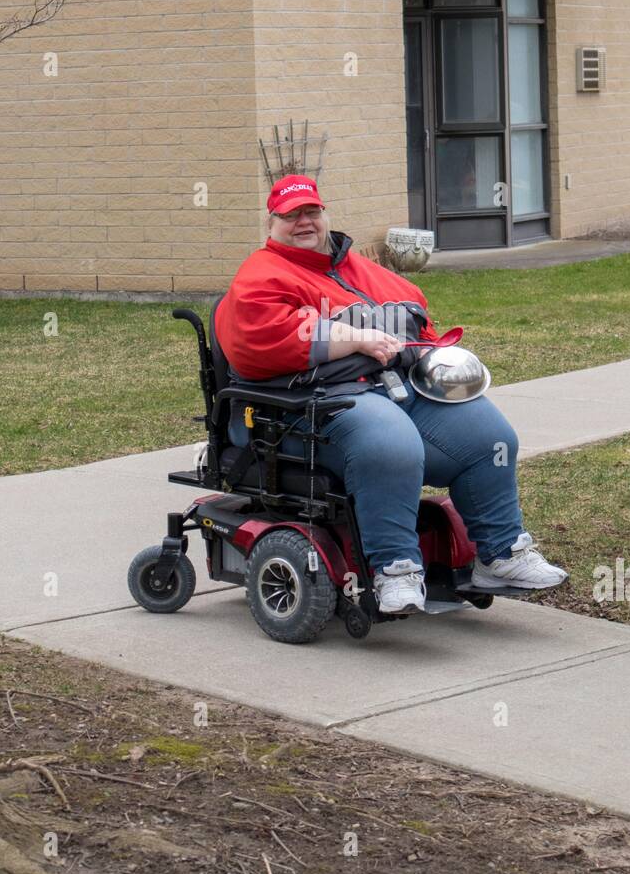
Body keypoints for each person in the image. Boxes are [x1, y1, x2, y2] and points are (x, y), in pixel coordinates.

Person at [215, 173, 567, 614]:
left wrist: (437, 353)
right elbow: (253, 346)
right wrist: (351, 338)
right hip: (310, 406)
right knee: (390, 443)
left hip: (396, 390)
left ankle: (499, 555)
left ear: (324, 214)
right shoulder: (261, 276)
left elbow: (419, 326)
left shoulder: (365, 272)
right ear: (272, 223)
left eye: (311, 211)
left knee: (490, 438)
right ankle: (395, 570)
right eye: (291, 216)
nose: (303, 222)